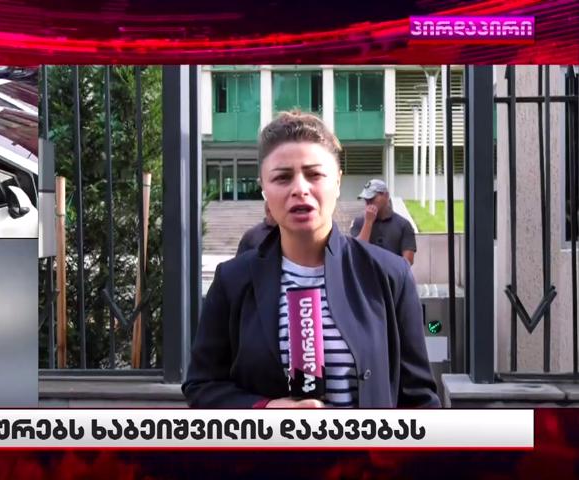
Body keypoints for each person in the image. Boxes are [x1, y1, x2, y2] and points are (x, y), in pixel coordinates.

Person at [183, 111, 439, 409]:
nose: (300, 189)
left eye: (314, 175)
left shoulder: (389, 274)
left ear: (338, 181)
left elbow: (420, 400)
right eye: (282, 177)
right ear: (264, 188)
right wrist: (266, 409)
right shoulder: (233, 280)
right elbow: (201, 387)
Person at [349, 179, 417, 265]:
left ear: (386, 196)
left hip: (392, 272)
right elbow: (357, 252)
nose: (368, 203)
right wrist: (368, 222)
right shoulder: (359, 223)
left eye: (372, 198)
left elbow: (408, 261)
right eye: (366, 200)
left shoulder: (403, 225)